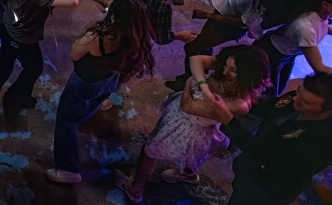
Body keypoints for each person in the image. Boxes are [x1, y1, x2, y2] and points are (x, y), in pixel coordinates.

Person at [115, 46, 271, 202]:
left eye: (233, 70)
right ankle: (188, 176)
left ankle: (135, 191)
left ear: (247, 76)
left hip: (187, 130)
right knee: (191, 159)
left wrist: (191, 81)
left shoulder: (240, 104)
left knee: (149, 152)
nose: (224, 72)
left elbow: (188, 106)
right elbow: (195, 60)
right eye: (226, 66)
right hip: (188, 121)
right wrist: (204, 86)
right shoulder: (227, 69)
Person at [46, 0, 156, 184]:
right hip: (109, 81)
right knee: (93, 102)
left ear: (115, 18)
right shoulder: (136, 38)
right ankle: (85, 117)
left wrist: (89, 30)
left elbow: (74, 54)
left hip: (85, 83)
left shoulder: (98, 38)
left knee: (66, 120)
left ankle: (68, 170)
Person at [166, 0, 298, 91]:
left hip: (230, 27)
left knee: (191, 46)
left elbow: (242, 22)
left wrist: (208, 15)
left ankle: (189, 81)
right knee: (204, 45)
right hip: (222, 13)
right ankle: (198, 73)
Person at [203, 72, 332, 205]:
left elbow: (264, 154)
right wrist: (245, 101)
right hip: (250, 170)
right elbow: (272, 107)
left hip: (267, 189)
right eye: (299, 91)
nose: (295, 99)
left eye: (305, 102)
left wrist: (228, 121)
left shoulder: (322, 143)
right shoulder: (297, 99)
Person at [253, 0, 332, 100]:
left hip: (288, 56)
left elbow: (322, 26)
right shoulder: (305, 27)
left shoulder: (320, 14)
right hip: (271, 54)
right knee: (268, 95)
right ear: (325, 5)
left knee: (279, 89)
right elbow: (318, 67)